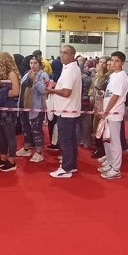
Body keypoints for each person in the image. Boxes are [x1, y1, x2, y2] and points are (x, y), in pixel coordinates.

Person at [46, 45, 82, 179]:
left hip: (66, 110)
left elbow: (66, 92)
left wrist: (52, 90)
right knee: (70, 140)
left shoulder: (69, 70)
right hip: (69, 110)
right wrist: (56, 86)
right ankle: (71, 165)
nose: (62, 55)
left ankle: (66, 168)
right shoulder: (71, 68)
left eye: (65, 53)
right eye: (61, 52)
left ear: (73, 55)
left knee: (65, 141)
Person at [97, 51, 128, 180]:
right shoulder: (113, 75)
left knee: (114, 142)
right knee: (107, 140)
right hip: (108, 113)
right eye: (112, 60)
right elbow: (109, 94)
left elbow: (115, 96)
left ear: (122, 63)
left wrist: (106, 111)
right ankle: (110, 163)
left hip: (114, 113)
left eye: (117, 61)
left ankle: (116, 169)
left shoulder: (122, 76)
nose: (113, 63)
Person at [0, 52, 21, 172]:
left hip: (8, 108)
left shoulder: (11, 74)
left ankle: (11, 160)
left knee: (9, 135)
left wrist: (0, 93)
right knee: (2, 134)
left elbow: (16, 92)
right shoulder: (0, 74)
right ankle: (3, 158)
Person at [16, 55, 49, 163]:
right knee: (25, 129)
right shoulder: (26, 74)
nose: (32, 65)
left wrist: (35, 80)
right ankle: (27, 148)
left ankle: (39, 152)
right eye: (31, 63)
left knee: (36, 129)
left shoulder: (44, 75)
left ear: (40, 64)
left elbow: (44, 90)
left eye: (35, 63)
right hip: (24, 106)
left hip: (36, 107)